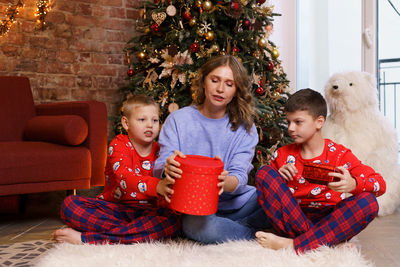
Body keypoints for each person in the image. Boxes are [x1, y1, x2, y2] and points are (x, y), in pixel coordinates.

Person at [153, 55, 271, 244]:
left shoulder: (245, 128)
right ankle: (255, 235)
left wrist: (224, 182)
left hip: (237, 202)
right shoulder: (178, 120)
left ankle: (232, 226)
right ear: (203, 82)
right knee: (197, 227)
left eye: (229, 84)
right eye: (214, 80)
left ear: (236, 90)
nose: (220, 89)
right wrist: (168, 167)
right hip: (196, 209)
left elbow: (240, 176)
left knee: (274, 201)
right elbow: (161, 164)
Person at [255, 88, 386, 254]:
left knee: (368, 202)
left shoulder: (339, 155)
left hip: (332, 219)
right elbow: (270, 194)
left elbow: (380, 184)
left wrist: (353, 184)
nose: (290, 128)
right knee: (264, 173)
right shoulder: (282, 155)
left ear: (319, 122)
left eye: (298, 122)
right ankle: (324, 243)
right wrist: (279, 176)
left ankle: (294, 246)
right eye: (288, 122)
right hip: (295, 217)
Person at [53, 95, 180, 244]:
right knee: (70, 205)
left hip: (149, 212)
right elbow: (124, 177)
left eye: (155, 120)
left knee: (173, 221)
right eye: (142, 120)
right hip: (116, 208)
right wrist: (157, 185)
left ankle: (88, 239)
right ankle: (133, 233)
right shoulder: (119, 144)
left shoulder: (162, 151)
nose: (150, 125)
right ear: (126, 123)